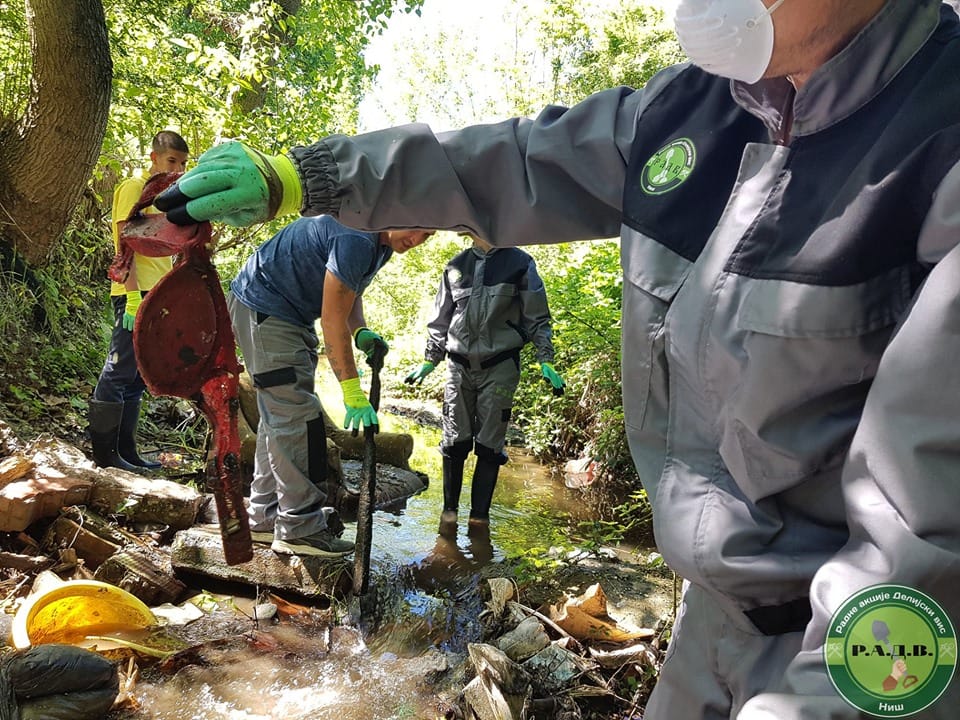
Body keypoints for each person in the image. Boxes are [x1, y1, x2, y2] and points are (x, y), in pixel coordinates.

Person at [155, 0, 960, 716]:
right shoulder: (688, 113)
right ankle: (419, 529)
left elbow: (924, 546)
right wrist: (314, 175)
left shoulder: (938, 143)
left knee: (485, 453)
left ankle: (463, 530)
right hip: (708, 620)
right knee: (449, 445)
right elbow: (509, 159)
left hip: (849, 643)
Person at [227, 215, 435, 557]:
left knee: (280, 415)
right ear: (395, 209)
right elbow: (332, 317)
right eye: (417, 227)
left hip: (281, 312)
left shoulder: (379, 244)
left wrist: (361, 331)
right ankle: (299, 527)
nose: (418, 240)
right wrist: (351, 391)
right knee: (297, 418)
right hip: (267, 309)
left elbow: (346, 295)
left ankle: (263, 518)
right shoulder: (357, 238)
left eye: (428, 235)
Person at [404, 234, 563, 530]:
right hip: (457, 366)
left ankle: (479, 519)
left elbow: (538, 318)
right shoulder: (455, 266)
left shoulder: (520, 263)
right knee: (454, 442)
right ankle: (448, 515)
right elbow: (440, 319)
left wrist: (546, 359)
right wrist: (430, 359)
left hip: (500, 366)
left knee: (490, 447)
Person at [89, 130, 189, 472]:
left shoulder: (165, 198)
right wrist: (131, 296)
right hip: (135, 293)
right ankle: (104, 456)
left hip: (157, 293)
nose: (176, 168)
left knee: (136, 377)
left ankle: (127, 453)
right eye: (171, 160)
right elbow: (125, 244)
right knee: (119, 370)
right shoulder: (135, 188)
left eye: (182, 163)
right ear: (154, 158)